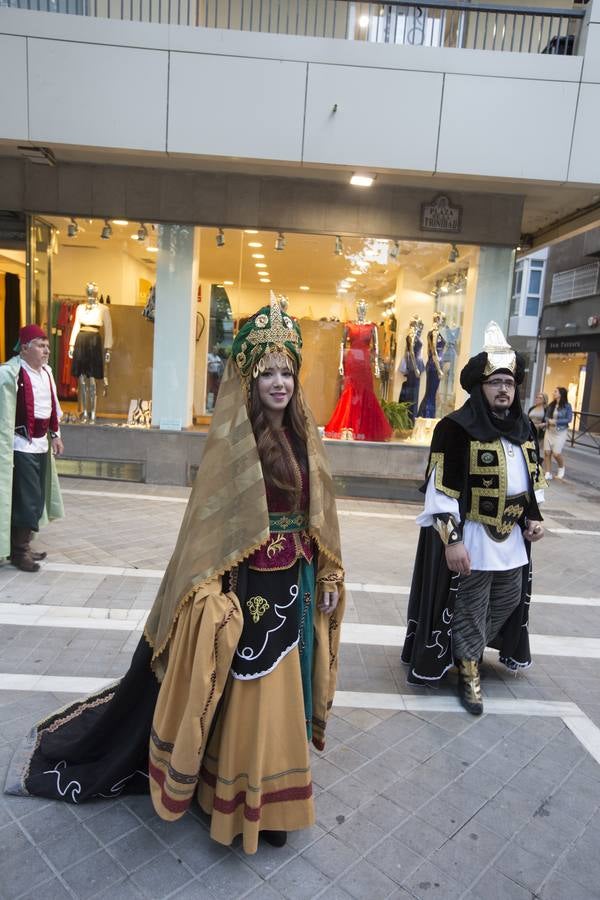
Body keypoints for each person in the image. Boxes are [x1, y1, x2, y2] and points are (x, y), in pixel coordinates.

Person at [5, 296, 345, 856]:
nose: (279, 383)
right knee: (249, 695)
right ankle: (231, 801)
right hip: (246, 590)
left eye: (287, 371)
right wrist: (210, 592)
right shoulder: (235, 445)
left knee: (286, 691)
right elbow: (208, 530)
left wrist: (329, 569)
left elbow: (321, 514)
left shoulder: (309, 437)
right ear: (249, 379)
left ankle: (279, 800)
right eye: (268, 373)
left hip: (296, 587)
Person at [401, 322, 546, 715]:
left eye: (510, 383)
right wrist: (453, 540)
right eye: (496, 382)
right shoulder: (455, 429)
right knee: (470, 604)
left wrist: (534, 517)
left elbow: (531, 481)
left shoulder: (525, 428)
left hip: (511, 539)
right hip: (474, 536)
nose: (504, 389)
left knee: (509, 598)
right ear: (480, 387)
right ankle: (468, 669)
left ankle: (471, 646)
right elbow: (440, 491)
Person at [0, 324, 64, 572]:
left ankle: (23, 543)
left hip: (41, 446)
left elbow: (53, 408)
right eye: (40, 345)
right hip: (20, 447)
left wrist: (56, 435)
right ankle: (19, 552)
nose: (46, 350)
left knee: (36, 498)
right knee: (26, 499)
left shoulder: (46, 373)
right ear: (25, 348)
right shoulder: (11, 373)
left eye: (47, 346)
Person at [543, 386, 573, 480]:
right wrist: (549, 421)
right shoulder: (551, 405)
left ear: (561, 394)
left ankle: (561, 467)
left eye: (555, 392)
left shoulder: (567, 406)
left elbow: (569, 419)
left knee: (556, 453)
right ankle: (548, 473)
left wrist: (556, 422)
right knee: (547, 452)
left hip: (560, 432)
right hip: (549, 431)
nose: (553, 393)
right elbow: (546, 417)